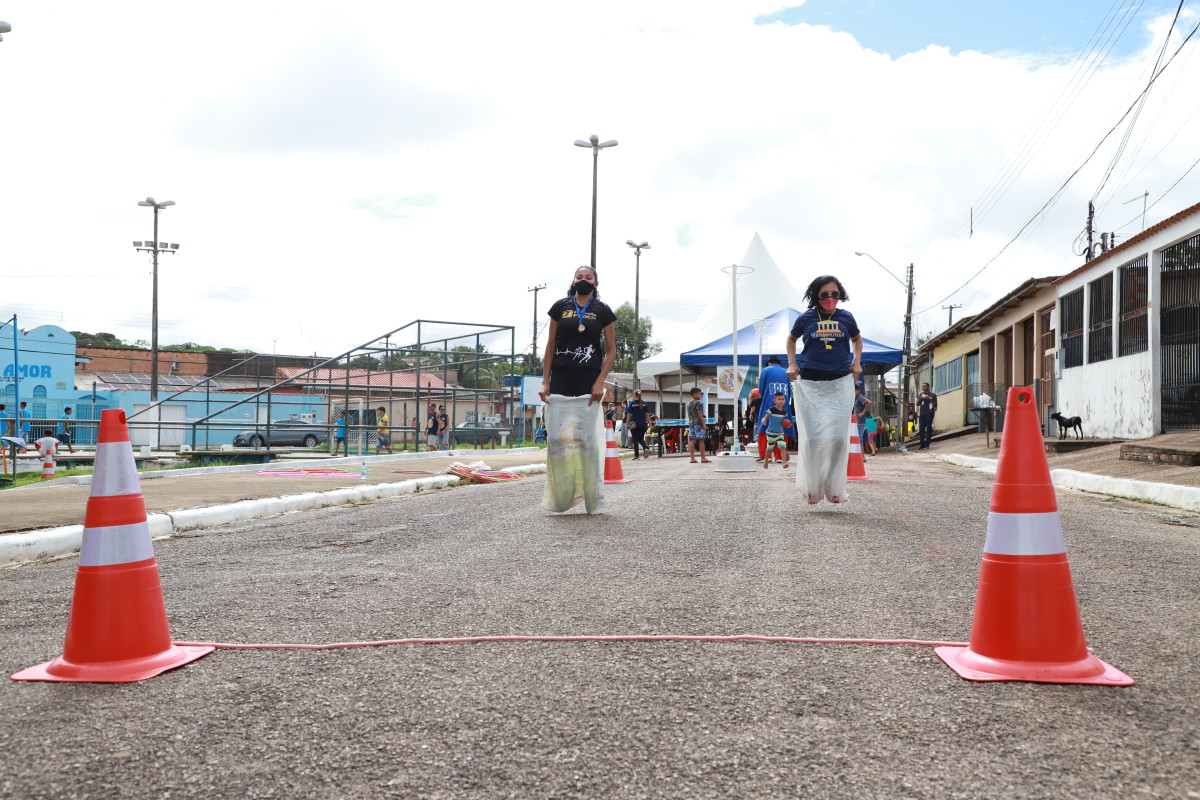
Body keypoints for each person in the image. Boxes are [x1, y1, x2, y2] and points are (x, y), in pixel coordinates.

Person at [539, 265, 617, 515]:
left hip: (589, 378)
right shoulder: (560, 306)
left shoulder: (602, 310)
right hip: (561, 375)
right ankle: (561, 496)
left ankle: (592, 498)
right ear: (573, 281)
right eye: (579, 277)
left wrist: (600, 381)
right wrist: (545, 381)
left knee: (586, 440)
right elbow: (550, 346)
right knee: (556, 437)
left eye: (588, 277)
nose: (583, 280)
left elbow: (612, 350)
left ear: (596, 283)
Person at [786, 274, 863, 504]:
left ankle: (834, 487)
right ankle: (812, 489)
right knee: (812, 439)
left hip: (840, 383)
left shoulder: (846, 317)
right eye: (825, 294)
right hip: (810, 384)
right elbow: (791, 339)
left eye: (835, 294)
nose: (830, 299)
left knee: (838, 438)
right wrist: (792, 363)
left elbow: (857, 340)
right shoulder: (806, 318)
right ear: (816, 295)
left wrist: (856, 361)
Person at [757, 355, 792, 463]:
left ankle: (764, 456)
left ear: (769, 363)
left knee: (764, 427)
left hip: (769, 402)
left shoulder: (766, 370)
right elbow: (790, 392)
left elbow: (761, 390)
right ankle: (780, 457)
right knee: (783, 427)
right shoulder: (786, 372)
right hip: (784, 403)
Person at [760, 392, 791, 470]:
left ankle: (784, 463)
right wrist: (764, 420)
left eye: (782, 399)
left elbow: (785, 421)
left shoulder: (784, 412)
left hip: (780, 433)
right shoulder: (771, 410)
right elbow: (766, 417)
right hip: (770, 433)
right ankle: (766, 461)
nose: (781, 401)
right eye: (779, 399)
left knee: (782, 446)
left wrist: (788, 425)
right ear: (775, 401)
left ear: (785, 401)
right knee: (769, 448)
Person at [686, 386, 711, 464]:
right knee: (701, 440)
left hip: (691, 424)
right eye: (699, 394)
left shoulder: (689, 403)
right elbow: (699, 413)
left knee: (692, 440)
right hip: (698, 424)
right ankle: (703, 458)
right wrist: (703, 423)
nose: (700, 396)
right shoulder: (698, 403)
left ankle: (692, 458)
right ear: (694, 394)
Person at [624, 390, 650, 460]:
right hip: (643, 424)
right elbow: (647, 416)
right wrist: (650, 424)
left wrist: (627, 424)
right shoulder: (645, 403)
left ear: (634, 395)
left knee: (635, 439)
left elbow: (629, 415)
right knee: (641, 438)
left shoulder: (632, 404)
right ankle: (645, 448)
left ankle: (636, 456)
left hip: (634, 424)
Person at [917, 382, 938, 449]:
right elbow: (917, 404)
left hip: (929, 413)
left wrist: (929, 399)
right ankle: (922, 444)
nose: (923, 388)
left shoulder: (933, 395)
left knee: (928, 428)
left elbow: (935, 405)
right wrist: (920, 399)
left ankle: (927, 444)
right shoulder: (921, 394)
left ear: (928, 387)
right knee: (921, 429)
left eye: (925, 386)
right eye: (922, 386)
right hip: (922, 414)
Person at [853, 382, 873, 452]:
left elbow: (869, 403)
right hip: (857, 421)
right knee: (858, 438)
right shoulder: (855, 398)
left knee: (860, 437)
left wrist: (862, 413)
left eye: (855, 391)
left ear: (859, 390)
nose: (854, 392)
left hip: (860, 422)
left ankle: (862, 456)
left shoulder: (860, 398)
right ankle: (861, 455)